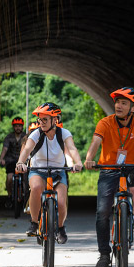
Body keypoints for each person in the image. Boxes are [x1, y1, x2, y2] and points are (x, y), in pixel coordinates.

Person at [83, 86, 134, 267]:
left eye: (123, 102)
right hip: (108, 169)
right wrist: (89, 159)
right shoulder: (105, 122)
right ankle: (104, 254)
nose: (118, 105)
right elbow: (96, 142)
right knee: (102, 213)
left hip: (131, 166)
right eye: (117, 102)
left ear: (133, 107)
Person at [14, 102, 84, 245]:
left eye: (45, 119)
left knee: (61, 201)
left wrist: (78, 163)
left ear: (55, 120)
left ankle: (60, 228)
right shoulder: (36, 134)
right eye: (40, 119)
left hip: (59, 172)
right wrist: (20, 163)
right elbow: (26, 150)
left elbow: (72, 149)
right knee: (36, 188)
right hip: (38, 171)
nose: (41, 122)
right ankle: (34, 223)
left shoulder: (64, 133)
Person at [0, 117, 27, 206]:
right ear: (13, 127)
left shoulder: (26, 137)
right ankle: (10, 196)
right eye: (16, 126)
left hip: (23, 161)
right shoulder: (8, 137)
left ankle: (26, 197)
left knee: (26, 180)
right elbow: (5, 149)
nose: (18, 128)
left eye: (19, 126)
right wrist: (1, 158)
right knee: (9, 178)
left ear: (22, 127)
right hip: (11, 160)